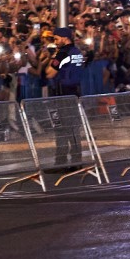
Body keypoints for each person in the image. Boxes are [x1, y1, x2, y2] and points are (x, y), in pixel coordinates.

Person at [43, 27, 85, 168]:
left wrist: (52, 58)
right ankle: (76, 160)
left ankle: (60, 162)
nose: (55, 42)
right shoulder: (77, 51)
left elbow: (50, 73)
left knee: (61, 129)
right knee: (73, 128)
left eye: (56, 39)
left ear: (64, 38)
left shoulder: (63, 54)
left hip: (62, 96)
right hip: (74, 93)